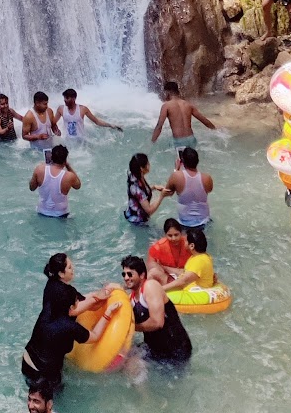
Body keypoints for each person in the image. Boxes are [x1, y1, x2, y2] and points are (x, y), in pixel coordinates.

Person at [21, 255, 121, 391]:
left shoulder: (51, 287)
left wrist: (102, 292)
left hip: (27, 361)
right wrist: (108, 313)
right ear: (61, 273)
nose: (72, 269)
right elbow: (95, 336)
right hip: (43, 376)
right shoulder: (70, 327)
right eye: (69, 267)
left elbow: (86, 302)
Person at [120, 254, 192, 362]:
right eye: (124, 274)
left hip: (176, 350)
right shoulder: (132, 298)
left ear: (142, 275)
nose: (126, 278)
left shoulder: (151, 287)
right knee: (126, 360)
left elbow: (157, 322)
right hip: (154, 349)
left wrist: (131, 326)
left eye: (130, 274)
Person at [150, 80, 215, 159]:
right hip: (191, 139)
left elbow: (159, 126)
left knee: (179, 166)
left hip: (179, 142)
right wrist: (216, 131)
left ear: (168, 92)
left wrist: (152, 142)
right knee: (191, 164)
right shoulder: (188, 104)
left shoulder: (166, 106)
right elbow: (204, 120)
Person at [159, 146, 213, 228]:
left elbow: (168, 192)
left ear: (182, 161)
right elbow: (209, 190)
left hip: (184, 222)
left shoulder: (176, 176)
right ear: (197, 161)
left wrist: (176, 170)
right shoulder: (207, 178)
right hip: (204, 220)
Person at [30, 144, 80, 218]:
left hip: (42, 212)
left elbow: (32, 188)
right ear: (65, 159)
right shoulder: (69, 176)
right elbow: (78, 186)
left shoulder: (39, 169)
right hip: (61, 215)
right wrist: (68, 166)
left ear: (51, 157)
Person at [55, 88, 121, 139]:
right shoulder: (61, 109)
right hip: (67, 140)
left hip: (80, 140)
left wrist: (111, 125)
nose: (64, 100)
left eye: (67, 98)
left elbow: (97, 121)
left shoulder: (83, 109)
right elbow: (53, 122)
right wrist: (56, 130)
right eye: (64, 98)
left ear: (73, 98)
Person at [125, 152, 163, 225]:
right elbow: (149, 210)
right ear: (141, 168)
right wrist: (162, 196)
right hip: (137, 221)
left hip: (132, 213)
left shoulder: (133, 174)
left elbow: (141, 194)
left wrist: (154, 187)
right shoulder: (136, 188)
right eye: (147, 164)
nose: (149, 165)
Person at [22, 92, 60, 157]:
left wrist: (56, 131)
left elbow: (53, 125)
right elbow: (24, 136)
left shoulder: (49, 111)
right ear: (37, 103)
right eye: (45, 104)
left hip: (50, 149)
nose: (47, 106)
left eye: (47, 103)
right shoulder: (29, 116)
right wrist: (38, 137)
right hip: (36, 152)